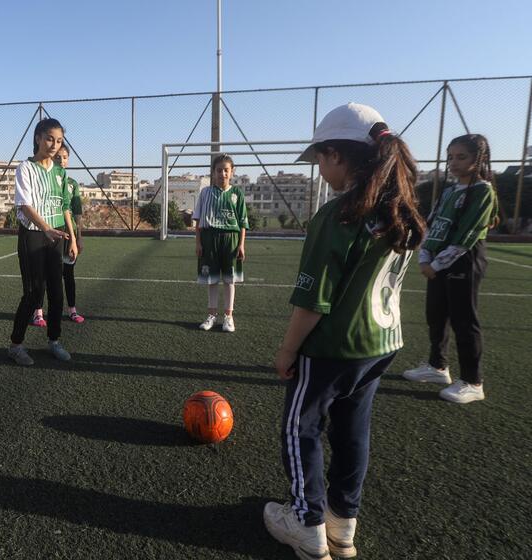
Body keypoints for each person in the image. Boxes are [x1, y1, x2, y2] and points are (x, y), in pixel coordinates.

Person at [264, 103, 425, 560]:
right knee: (354, 430)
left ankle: (307, 522)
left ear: (337, 155)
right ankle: (342, 522)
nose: (318, 168)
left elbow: (314, 300)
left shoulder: (339, 217)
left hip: (334, 345)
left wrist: (287, 350)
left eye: (319, 158)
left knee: (301, 427)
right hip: (381, 342)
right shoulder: (401, 212)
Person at [401, 134, 498, 403]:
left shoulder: (482, 191)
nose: (453, 162)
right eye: (450, 157)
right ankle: (437, 367)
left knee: (464, 320)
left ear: (478, 159)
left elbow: (466, 235)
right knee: (436, 314)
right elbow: (432, 225)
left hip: (463, 260)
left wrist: (437, 263)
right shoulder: (448, 190)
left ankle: (472, 381)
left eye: (461, 157)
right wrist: (424, 257)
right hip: (436, 260)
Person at [8, 118, 78, 366]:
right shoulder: (24, 168)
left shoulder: (60, 172)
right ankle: (16, 345)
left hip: (57, 233)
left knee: (57, 293)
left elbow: (65, 207)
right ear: (38, 137)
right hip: (34, 234)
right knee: (33, 292)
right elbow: (24, 205)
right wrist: (45, 228)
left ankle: (54, 340)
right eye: (50, 138)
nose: (54, 145)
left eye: (59, 141)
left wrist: (72, 238)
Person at [31, 144, 85, 325]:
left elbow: (75, 213)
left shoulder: (71, 184)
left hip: (67, 235)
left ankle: (72, 310)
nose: (61, 160)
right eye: (58, 157)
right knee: (44, 275)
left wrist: (78, 238)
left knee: (68, 275)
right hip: (48, 234)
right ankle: (38, 312)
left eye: (64, 157)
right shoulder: (45, 179)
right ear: (51, 158)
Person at [193, 154, 248, 332]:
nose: (222, 173)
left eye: (226, 170)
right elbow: (198, 220)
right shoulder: (205, 193)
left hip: (231, 240)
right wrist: (198, 243)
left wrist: (241, 245)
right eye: (218, 170)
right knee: (212, 280)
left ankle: (229, 317)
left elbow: (242, 222)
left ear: (232, 172)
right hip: (210, 239)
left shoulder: (237, 194)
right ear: (213, 172)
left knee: (229, 280)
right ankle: (211, 315)